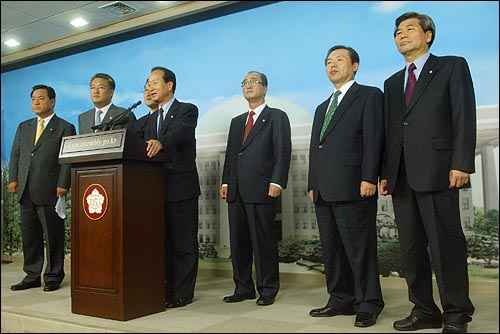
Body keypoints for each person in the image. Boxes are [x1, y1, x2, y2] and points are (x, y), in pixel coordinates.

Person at [380, 12, 476, 333]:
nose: (402, 35)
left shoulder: (451, 66)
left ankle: (456, 314)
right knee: (410, 248)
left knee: (445, 245)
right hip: (402, 176)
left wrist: (461, 162)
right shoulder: (392, 83)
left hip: (438, 170)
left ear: (428, 35)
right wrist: (386, 172)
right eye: (397, 32)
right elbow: (392, 131)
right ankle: (424, 310)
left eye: (409, 29)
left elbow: (464, 116)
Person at [307, 46, 385, 327]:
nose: (332, 65)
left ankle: (368, 303)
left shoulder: (369, 95)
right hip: (324, 189)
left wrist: (369, 177)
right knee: (332, 249)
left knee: (359, 248)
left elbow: (374, 138)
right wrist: (312, 182)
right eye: (328, 61)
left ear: (355, 66)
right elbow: (317, 148)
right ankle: (340, 299)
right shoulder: (321, 107)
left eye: (339, 60)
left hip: (354, 184)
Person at [220, 71, 292, 306]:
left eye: (254, 82)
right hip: (236, 190)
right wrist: (226, 182)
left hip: (262, 188)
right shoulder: (237, 121)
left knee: (263, 242)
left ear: (265, 88)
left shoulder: (276, 117)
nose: (248, 86)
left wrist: (277, 181)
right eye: (245, 83)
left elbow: (283, 151)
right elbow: (232, 155)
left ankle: (267, 289)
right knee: (239, 242)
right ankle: (243, 287)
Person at [141, 66, 201, 309]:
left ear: (170, 85)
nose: (150, 87)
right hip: (154, 190)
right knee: (163, 244)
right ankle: (165, 289)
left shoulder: (187, 110)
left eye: (155, 82)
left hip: (181, 187)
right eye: (147, 83)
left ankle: (183, 293)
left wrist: (160, 142)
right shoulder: (148, 119)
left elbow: (180, 134)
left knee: (183, 244)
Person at [8, 84, 76, 292]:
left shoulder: (65, 127)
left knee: (53, 235)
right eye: (33, 99)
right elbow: (16, 154)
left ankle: (53, 275)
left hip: (51, 189)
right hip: (26, 188)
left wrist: (63, 183)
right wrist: (13, 179)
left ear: (52, 101)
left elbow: (67, 158)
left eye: (41, 98)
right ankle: (32, 274)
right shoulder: (24, 126)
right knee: (30, 235)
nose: (36, 102)